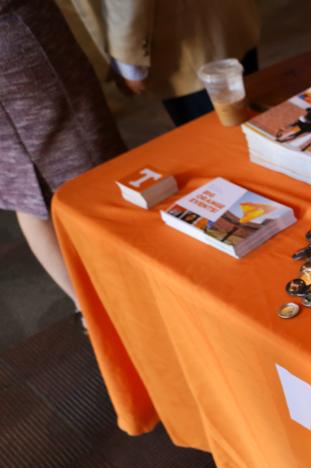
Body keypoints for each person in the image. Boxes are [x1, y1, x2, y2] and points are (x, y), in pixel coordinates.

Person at [1, 0, 126, 317]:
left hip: (21, 37)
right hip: (20, 44)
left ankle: (87, 305)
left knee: (27, 192)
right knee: (91, 166)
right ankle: (111, 298)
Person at [69, 0, 261, 126]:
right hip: (223, 19)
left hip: (187, 44)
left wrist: (128, 61)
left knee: (223, 139)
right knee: (254, 120)